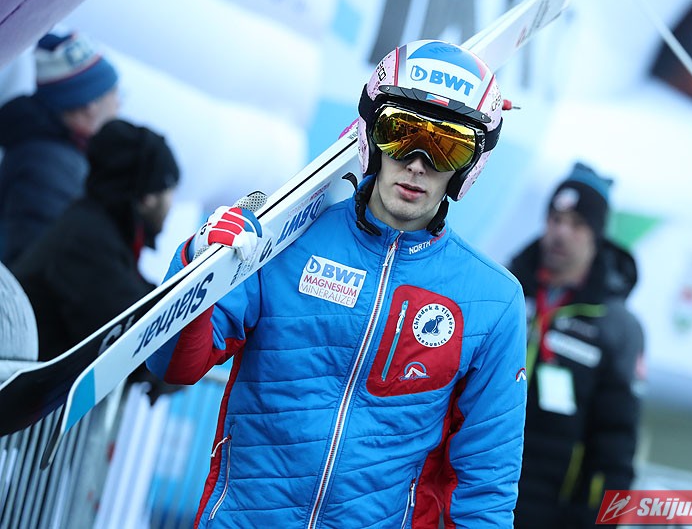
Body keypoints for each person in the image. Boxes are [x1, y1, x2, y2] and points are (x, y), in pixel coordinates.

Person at [146, 39, 527, 527]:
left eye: (445, 146)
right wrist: (197, 267)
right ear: (371, 134)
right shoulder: (286, 238)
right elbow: (174, 365)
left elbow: (486, 486)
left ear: (469, 166)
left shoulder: (493, 300)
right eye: (401, 132)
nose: (417, 162)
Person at [509, 162, 645, 528]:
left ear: (596, 236)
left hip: (553, 515)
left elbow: (616, 447)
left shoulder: (617, 327)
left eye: (577, 224)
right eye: (555, 219)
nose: (561, 233)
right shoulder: (505, 289)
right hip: (476, 502)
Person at [11, 119, 179, 366]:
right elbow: (129, 336)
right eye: (170, 190)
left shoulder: (98, 229)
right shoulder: (87, 240)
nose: (171, 203)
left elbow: (133, 297)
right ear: (147, 197)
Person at [0, 31, 119, 265]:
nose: (119, 106)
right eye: (115, 96)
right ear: (89, 106)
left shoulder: (50, 154)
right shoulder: (50, 166)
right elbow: (38, 267)